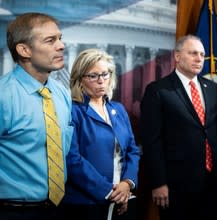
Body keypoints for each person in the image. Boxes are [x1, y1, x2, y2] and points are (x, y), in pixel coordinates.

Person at [140, 35, 217, 220]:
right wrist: (159, 182)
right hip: (175, 186)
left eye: (202, 54)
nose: (199, 59)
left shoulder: (212, 88)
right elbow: (151, 141)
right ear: (178, 56)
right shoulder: (158, 90)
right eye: (193, 53)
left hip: (211, 182)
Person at [0, 12, 73, 220]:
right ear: (24, 50)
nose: (61, 46)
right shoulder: (3, 96)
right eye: (50, 40)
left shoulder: (61, 94)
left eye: (60, 39)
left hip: (58, 209)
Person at [62, 48, 140, 220]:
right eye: (93, 76)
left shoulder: (118, 110)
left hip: (125, 200)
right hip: (86, 204)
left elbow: (132, 151)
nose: (101, 81)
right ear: (79, 79)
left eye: (105, 74)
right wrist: (110, 192)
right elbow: (72, 160)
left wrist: (127, 183)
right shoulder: (72, 111)